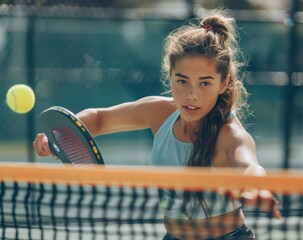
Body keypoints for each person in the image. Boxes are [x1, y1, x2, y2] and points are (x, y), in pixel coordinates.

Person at [33, 10, 281, 240]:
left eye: (205, 83)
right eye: (182, 81)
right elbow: (99, 118)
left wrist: (255, 188)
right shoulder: (159, 113)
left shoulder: (230, 134)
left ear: (223, 83)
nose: (191, 95)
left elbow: (249, 165)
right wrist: (59, 133)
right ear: (169, 76)